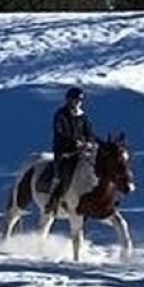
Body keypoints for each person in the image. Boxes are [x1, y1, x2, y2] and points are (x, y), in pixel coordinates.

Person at [45, 86, 96, 214]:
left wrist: (90, 142)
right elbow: (60, 132)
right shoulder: (61, 114)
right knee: (63, 173)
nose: (78, 102)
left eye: (80, 100)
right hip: (64, 150)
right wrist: (74, 142)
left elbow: (89, 132)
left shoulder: (83, 116)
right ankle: (54, 200)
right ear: (68, 100)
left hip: (81, 151)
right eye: (75, 99)